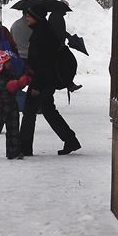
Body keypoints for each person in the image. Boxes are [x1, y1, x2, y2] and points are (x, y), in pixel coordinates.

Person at [19, 8, 81, 156]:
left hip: (41, 80)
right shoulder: (44, 31)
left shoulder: (41, 35)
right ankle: (70, 140)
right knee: (48, 110)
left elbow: (43, 64)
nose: (26, 18)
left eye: (29, 16)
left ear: (37, 17)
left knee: (29, 112)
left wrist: (37, 86)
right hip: (47, 80)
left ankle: (24, 147)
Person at [48, 4, 82, 93]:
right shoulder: (56, 17)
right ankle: (66, 83)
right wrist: (66, 38)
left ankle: (68, 83)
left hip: (58, 46)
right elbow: (57, 31)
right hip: (58, 47)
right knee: (69, 64)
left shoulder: (56, 16)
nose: (66, 13)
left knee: (65, 65)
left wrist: (68, 36)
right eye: (65, 10)